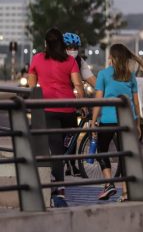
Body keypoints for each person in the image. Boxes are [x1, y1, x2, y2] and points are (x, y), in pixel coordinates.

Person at [28, 27, 85, 207]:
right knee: (63, 146)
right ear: (62, 43)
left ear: (46, 43)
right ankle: (59, 179)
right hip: (67, 110)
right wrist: (82, 104)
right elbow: (78, 85)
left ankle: (58, 189)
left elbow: (32, 86)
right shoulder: (70, 60)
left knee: (55, 148)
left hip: (47, 109)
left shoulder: (37, 58)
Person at [90, 43, 143, 201]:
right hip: (126, 121)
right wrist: (138, 124)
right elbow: (135, 103)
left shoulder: (103, 74)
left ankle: (109, 183)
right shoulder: (130, 76)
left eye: (110, 55)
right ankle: (126, 192)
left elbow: (98, 100)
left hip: (107, 120)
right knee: (124, 155)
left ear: (113, 58)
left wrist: (94, 121)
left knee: (101, 149)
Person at [63, 32, 96, 176]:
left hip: (70, 101)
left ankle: (70, 164)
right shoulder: (57, 59)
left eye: (75, 47)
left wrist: (104, 89)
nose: (72, 49)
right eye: (69, 47)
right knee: (58, 135)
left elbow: (90, 79)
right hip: (55, 101)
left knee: (72, 134)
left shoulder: (79, 62)